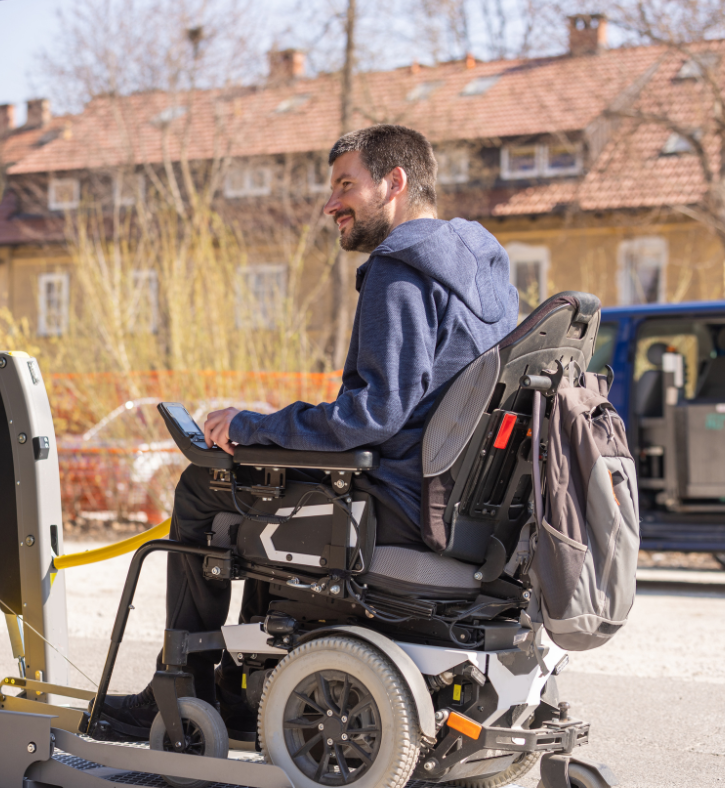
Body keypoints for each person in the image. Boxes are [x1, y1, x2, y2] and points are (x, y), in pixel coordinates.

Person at [97, 124, 519, 742]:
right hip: (464, 511)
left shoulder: (399, 272)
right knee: (268, 479)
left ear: (394, 183)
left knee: (204, 487)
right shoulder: (486, 273)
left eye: (346, 185)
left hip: (399, 505)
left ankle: (187, 689)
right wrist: (273, 433)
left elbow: (371, 416)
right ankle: (242, 682)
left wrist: (251, 426)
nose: (331, 204)